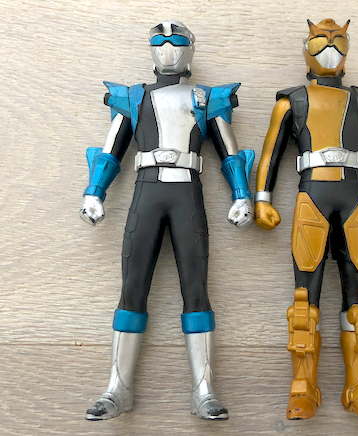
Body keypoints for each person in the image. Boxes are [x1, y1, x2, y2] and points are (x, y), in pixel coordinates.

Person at [80, 20, 254, 421]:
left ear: (190, 49)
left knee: (196, 288)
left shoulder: (207, 98)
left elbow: (230, 152)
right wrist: (94, 191)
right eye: (160, 42)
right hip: (146, 192)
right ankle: (117, 388)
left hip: (186, 194)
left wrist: (242, 194)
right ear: (151, 49)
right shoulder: (133, 97)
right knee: (132, 287)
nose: (168, 50)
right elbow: (111, 150)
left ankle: (204, 390)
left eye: (177, 42)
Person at [254, 18, 358, 422]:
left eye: (338, 39)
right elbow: (270, 153)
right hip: (312, 197)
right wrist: (262, 198)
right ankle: (303, 387)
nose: (329, 47)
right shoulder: (291, 102)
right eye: (320, 40)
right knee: (305, 300)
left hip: (355, 198)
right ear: (307, 47)